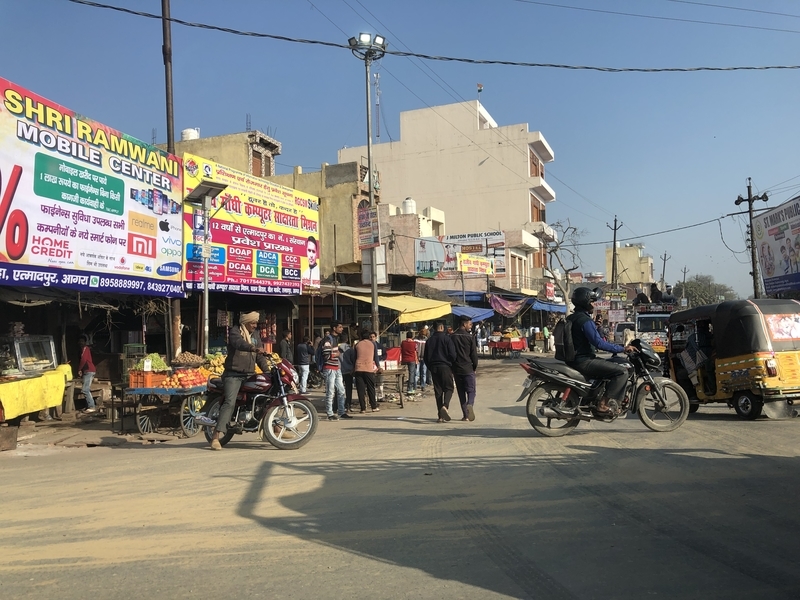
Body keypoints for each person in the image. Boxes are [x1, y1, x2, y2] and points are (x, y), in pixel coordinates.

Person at [206, 311, 271, 450]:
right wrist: (253, 348)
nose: (254, 325)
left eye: (255, 323)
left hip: (249, 374)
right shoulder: (235, 332)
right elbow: (239, 343)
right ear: (245, 323)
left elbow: (259, 357)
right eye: (252, 323)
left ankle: (274, 429)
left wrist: (267, 371)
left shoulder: (256, 335)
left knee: (266, 397)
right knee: (230, 402)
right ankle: (216, 437)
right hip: (233, 375)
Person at [566, 287, 636, 414]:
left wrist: (595, 326)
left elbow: (580, 336)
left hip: (574, 359)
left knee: (610, 365)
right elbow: (599, 343)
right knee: (621, 372)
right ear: (585, 302)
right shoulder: (585, 320)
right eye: (592, 301)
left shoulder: (573, 317)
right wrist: (622, 348)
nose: (594, 304)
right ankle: (603, 405)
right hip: (584, 361)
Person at [424, 321, 457, 422]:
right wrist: (451, 365)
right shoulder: (447, 339)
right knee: (449, 388)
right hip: (445, 367)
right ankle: (445, 406)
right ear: (442, 327)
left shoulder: (429, 341)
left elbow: (426, 357)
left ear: (434, 328)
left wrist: (430, 367)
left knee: (438, 391)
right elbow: (453, 355)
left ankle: (440, 416)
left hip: (434, 368)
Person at [450, 314, 479, 421]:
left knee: (461, 392)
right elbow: (474, 355)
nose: (471, 326)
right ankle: (470, 404)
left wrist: (452, 367)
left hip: (457, 369)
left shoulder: (452, 337)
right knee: (471, 391)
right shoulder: (470, 337)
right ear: (464, 324)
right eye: (469, 324)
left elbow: (451, 354)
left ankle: (465, 415)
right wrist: (474, 367)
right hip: (468, 368)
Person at [322, 320, 350, 421]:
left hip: (336, 368)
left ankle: (341, 412)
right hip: (329, 368)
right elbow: (326, 355)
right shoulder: (328, 340)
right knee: (330, 391)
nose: (342, 329)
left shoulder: (336, 339)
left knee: (341, 390)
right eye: (340, 327)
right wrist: (337, 354)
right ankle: (330, 413)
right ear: (334, 328)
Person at [354, 329, 381, 413]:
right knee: (371, 388)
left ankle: (363, 408)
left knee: (360, 389)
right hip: (368, 369)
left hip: (358, 368)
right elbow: (375, 357)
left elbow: (355, 357)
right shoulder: (373, 344)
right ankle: (373, 406)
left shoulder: (357, 344)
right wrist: (378, 366)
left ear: (361, 336)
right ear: (369, 337)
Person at [77, 334, 97, 414]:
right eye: (80, 341)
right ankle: (89, 406)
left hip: (89, 370)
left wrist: (79, 369)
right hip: (87, 370)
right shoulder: (82, 349)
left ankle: (91, 406)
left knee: (85, 389)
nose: (81, 343)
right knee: (86, 389)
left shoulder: (86, 348)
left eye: (82, 341)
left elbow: (84, 360)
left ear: (85, 342)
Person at [338, 329, 356, 413]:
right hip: (348, 371)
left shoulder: (336, 348)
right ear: (347, 339)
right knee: (348, 389)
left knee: (338, 389)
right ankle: (348, 405)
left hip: (338, 371)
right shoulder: (350, 349)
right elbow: (353, 360)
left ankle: (337, 406)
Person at [400, 331, 419, 396]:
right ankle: (410, 388)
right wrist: (417, 360)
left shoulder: (403, 342)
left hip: (404, 359)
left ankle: (400, 387)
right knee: (411, 374)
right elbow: (415, 352)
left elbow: (401, 349)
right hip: (412, 360)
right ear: (412, 336)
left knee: (401, 374)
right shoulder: (414, 343)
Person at [415, 326, 429, 393]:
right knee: (416, 373)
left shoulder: (427, 340)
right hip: (417, 358)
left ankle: (423, 385)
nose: (423, 335)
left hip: (424, 358)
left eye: (424, 334)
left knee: (423, 372)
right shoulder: (416, 339)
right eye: (422, 334)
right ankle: (414, 385)